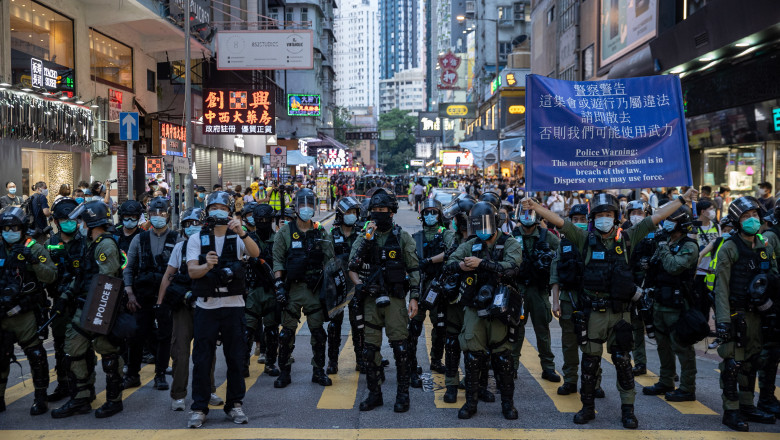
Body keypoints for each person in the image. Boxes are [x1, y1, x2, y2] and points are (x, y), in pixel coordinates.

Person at [522, 189, 697, 429]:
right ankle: (587, 407)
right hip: (593, 313)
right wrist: (535, 206)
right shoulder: (583, 239)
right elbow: (559, 221)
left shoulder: (628, 238)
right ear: (593, 218)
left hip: (620, 313)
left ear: (615, 216)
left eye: (609, 213)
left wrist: (681, 200)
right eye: (600, 214)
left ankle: (628, 411)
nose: (605, 217)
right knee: (590, 364)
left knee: (623, 362)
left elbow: (654, 219)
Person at [185, 191, 259, 428]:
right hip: (206, 307)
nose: (219, 211)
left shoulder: (237, 237)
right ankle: (199, 407)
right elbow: (192, 272)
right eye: (214, 207)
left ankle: (235, 404)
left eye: (223, 208)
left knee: (236, 358)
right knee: (202, 360)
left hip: (234, 306)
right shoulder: (197, 238)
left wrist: (242, 231)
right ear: (207, 211)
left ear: (230, 212)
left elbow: (256, 254)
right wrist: (207, 265)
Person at [445, 201, 522, 420]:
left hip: (500, 307)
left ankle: (508, 404)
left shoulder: (510, 243)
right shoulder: (471, 244)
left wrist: (482, 264)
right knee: (472, 356)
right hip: (474, 306)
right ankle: (471, 403)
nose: (481, 229)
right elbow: (451, 261)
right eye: (477, 225)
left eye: (485, 224)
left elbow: (512, 268)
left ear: (495, 222)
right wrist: (461, 266)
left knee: (503, 357)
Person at [51, 201, 126, 418]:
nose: (79, 224)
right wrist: (66, 297)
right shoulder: (91, 242)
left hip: (99, 309)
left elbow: (107, 282)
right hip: (86, 305)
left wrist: (96, 313)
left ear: (92, 222)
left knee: (108, 352)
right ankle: (81, 398)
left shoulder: (106, 245)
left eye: (82, 221)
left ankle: (114, 401)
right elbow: (82, 275)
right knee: (73, 350)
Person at [348, 190, 420, 413]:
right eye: (376, 211)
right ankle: (374, 394)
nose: (380, 214)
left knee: (401, 348)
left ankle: (402, 395)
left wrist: (415, 297)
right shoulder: (364, 237)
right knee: (369, 350)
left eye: (384, 210)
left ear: (392, 212)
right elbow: (352, 267)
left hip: (395, 300)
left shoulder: (401, 237)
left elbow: (414, 268)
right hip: (370, 299)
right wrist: (359, 284)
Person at [713, 196, 778, 431]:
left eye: (755, 215)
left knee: (753, 361)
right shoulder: (729, 247)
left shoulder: (764, 245)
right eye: (746, 216)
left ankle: (747, 405)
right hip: (735, 314)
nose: (752, 220)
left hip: (758, 314)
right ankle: (730, 410)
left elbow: (773, 278)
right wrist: (722, 322)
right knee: (732, 364)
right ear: (736, 221)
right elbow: (720, 287)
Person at [156, 208, 222, 411]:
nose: (191, 227)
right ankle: (178, 395)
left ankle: (209, 390)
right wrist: (160, 304)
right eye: (187, 224)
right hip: (183, 307)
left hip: (207, 305)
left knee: (207, 351)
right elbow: (168, 275)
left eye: (195, 223)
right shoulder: (180, 248)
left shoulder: (213, 245)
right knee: (180, 352)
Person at [272, 188, 335, 388]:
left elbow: (330, 259)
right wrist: (279, 285)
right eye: (302, 205)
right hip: (292, 289)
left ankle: (318, 371)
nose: (306, 209)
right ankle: (284, 371)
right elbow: (278, 260)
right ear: (296, 208)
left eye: (309, 205)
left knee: (318, 333)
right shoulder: (285, 231)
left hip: (314, 289)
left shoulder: (320, 231)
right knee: (287, 333)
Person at [0, 207, 57, 415]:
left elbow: (50, 276)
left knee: (36, 354)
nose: (9, 231)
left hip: (25, 311)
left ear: (23, 228)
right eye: (5, 228)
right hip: (2, 311)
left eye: (14, 227)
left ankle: (40, 397)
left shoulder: (34, 248)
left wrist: (33, 262)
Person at [640, 205, 700, 402]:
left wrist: (663, 247)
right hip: (659, 302)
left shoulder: (689, 246)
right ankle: (666, 381)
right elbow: (654, 267)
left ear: (681, 223)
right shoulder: (664, 242)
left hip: (678, 305)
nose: (666, 222)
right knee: (663, 346)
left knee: (681, 346)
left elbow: (674, 267)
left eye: (671, 219)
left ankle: (687, 388)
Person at [123, 197, 178, 391]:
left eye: (161, 214)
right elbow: (128, 268)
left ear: (168, 216)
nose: (157, 217)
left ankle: (160, 374)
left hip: (167, 296)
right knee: (136, 335)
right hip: (142, 295)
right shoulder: (140, 238)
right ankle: (132, 374)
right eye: (154, 214)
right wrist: (129, 292)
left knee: (164, 336)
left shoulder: (176, 238)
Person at [551, 204, 605, 398]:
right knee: (569, 342)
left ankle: (594, 383)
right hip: (568, 299)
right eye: (576, 220)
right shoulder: (563, 244)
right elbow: (555, 272)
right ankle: (571, 381)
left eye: (583, 219)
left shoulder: (596, 241)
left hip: (591, 299)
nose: (579, 223)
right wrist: (555, 301)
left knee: (593, 343)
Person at [44, 198, 94, 403]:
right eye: (63, 219)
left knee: (83, 346)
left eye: (72, 218)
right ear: (56, 221)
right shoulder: (50, 244)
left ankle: (86, 386)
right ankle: (63, 383)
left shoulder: (86, 243)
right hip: (59, 303)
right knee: (59, 345)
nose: (68, 222)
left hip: (81, 302)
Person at [511, 205, 560, 382]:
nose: (527, 217)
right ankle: (512, 366)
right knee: (516, 330)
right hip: (519, 290)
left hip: (539, 291)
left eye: (530, 213)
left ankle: (548, 368)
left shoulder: (547, 236)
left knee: (543, 332)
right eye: (523, 213)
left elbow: (561, 257)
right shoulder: (513, 235)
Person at [408, 200, 454, 387]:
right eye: (427, 212)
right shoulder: (416, 236)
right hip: (420, 286)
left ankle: (436, 360)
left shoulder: (446, 234)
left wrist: (429, 261)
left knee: (441, 326)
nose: (430, 216)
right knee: (414, 327)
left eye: (434, 212)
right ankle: (411, 363)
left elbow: (452, 251)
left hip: (439, 286)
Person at [326, 197, 363, 374]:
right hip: (337, 285)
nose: (352, 216)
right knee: (334, 325)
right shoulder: (332, 235)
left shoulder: (362, 234)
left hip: (356, 284)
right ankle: (332, 361)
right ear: (341, 214)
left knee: (358, 323)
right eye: (348, 212)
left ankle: (361, 359)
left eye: (354, 212)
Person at [243, 203, 280, 374]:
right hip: (253, 290)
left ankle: (270, 362)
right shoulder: (248, 239)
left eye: (266, 220)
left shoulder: (279, 239)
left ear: (272, 220)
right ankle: (243, 365)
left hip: (272, 291)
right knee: (247, 330)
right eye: (260, 220)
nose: (263, 223)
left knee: (272, 330)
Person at [623, 200, 656, 376]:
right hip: (632, 286)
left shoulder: (655, 231)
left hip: (652, 285)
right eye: (633, 212)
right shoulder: (623, 233)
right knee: (635, 328)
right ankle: (640, 364)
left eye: (640, 212)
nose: (636, 215)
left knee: (658, 329)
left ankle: (668, 370)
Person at [757, 205, 780, 418]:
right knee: (770, 352)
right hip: (775, 303)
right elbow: (768, 273)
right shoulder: (771, 237)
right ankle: (765, 397)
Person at [692, 200, 721, 319]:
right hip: (698, 271)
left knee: (709, 302)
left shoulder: (716, 226)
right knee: (698, 301)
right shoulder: (694, 227)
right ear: (703, 211)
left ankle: (707, 328)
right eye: (711, 209)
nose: (713, 211)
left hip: (712, 272)